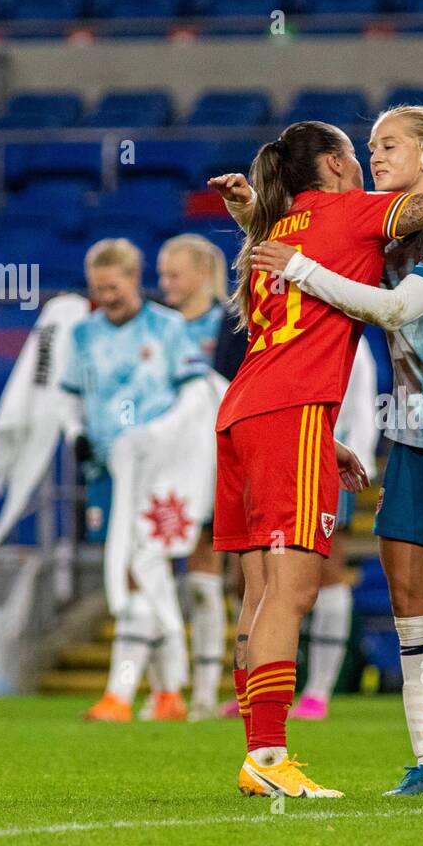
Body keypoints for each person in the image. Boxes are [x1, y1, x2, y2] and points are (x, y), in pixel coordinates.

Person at [209, 117, 423, 798]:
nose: (370, 161)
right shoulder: (354, 215)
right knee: (291, 592)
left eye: (387, 145)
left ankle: (259, 753)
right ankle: (269, 758)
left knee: (259, 592)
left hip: (246, 411)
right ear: (331, 165)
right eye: (362, 151)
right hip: (296, 411)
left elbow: (307, 289)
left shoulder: (277, 229)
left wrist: (322, 440)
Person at [64, 239, 212, 724]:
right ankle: (168, 693)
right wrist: (76, 432)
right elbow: (68, 395)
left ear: (133, 278)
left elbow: (195, 393)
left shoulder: (167, 328)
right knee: (142, 572)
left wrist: (155, 437)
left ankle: (121, 694)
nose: (106, 296)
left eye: (113, 286)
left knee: (140, 568)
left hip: (161, 473)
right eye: (97, 288)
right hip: (106, 471)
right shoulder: (83, 334)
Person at [147, 233, 231, 721]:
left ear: (202, 272)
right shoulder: (154, 326)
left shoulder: (230, 323)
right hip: (161, 464)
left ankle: (202, 692)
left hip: (212, 460)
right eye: (161, 274)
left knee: (204, 577)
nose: (165, 283)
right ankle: (165, 690)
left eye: (173, 273)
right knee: (152, 572)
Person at [292, 334, 380, 720]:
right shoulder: (277, 324)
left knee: (326, 569)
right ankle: (258, 691)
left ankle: (319, 690)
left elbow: (363, 405)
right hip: (275, 452)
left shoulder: (347, 338)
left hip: (326, 455)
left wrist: (358, 462)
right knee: (250, 576)